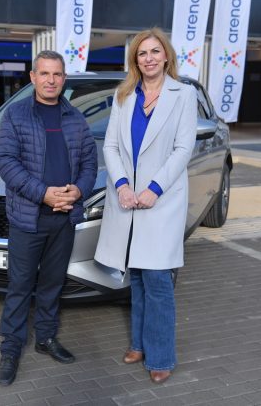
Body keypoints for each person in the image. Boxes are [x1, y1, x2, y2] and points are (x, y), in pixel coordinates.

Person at [94, 28, 197, 384]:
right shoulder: (124, 95)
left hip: (161, 200)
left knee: (157, 279)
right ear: (134, 60)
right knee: (136, 274)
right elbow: (110, 146)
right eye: (142, 53)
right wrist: (122, 185)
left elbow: (183, 149)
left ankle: (161, 355)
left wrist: (154, 188)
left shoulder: (183, 95)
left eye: (155, 51)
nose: (149, 58)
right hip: (127, 199)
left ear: (166, 56)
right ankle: (139, 344)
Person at [0, 50, 98, 386]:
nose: (50, 80)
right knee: (20, 285)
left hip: (64, 218)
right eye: (44, 73)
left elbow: (89, 163)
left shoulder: (76, 118)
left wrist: (78, 191)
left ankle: (46, 337)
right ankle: (10, 349)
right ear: (33, 77)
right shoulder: (16, 115)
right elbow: (7, 163)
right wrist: (43, 194)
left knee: (52, 283)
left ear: (63, 79)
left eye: (56, 74)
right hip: (28, 218)